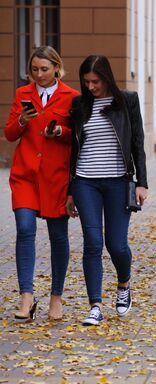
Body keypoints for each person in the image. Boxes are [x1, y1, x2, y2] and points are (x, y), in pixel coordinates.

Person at [66, 55, 148, 326]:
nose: (90, 87)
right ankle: (95, 306)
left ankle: (124, 285)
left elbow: (138, 142)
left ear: (107, 78)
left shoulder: (127, 101)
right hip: (85, 181)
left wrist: (142, 182)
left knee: (117, 245)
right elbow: (74, 149)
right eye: (86, 82)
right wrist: (70, 190)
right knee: (92, 243)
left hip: (117, 182)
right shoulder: (79, 104)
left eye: (96, 81)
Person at [4, 46, 79, 321]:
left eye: (44, 69)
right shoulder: (22, 94)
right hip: (25, 175)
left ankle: (56, 297)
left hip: (56, 178)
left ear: (57, 68)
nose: (39, 75)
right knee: (25, 229)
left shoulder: (72, 97)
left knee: (58, 237)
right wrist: (22, 120)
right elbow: (10, 133)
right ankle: (26, 296)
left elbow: (77, 137)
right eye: (34, 69)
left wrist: (61, 131)